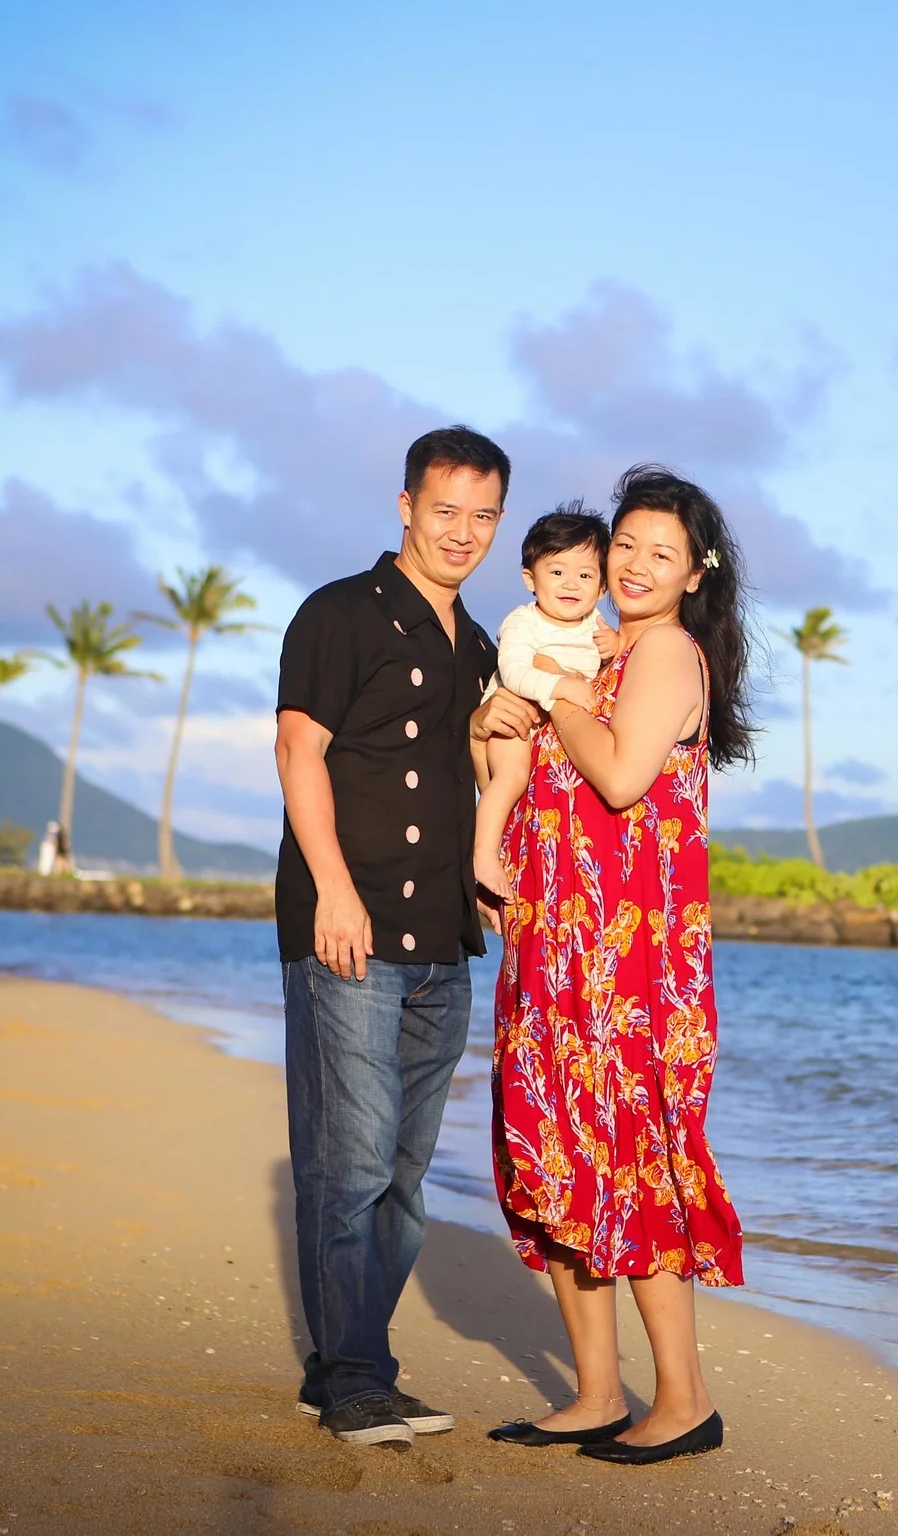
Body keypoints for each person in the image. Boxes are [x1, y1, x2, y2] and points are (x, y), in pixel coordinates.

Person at [480, 464, 754, 1467]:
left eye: (660, 553)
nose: (635, 564)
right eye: (624, 545)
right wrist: (494, 722)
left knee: (633, 1158)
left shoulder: (666, 652)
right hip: (557, 943)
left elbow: (623, 775)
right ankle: (597, 1392)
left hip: (629, 963)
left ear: (694, 574)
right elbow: (535, 778)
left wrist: (549, 689)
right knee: (556, 1150)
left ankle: (683, 1399)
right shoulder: (598, 652)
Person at [272, 426, 509, 1447]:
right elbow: (298, 749)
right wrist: (332, 888)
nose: (463, 531)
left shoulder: (482, 646)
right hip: (350, 930)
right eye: (445, 508)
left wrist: (490, 878)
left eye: (483, 515)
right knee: (349, 1163)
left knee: (404, 1179)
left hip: (442, 943)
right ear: (405, 504)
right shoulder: (339, 612)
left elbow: (480, 780)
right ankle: (357, 1381)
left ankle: (347, 1362)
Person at [472, 503, 620, 901]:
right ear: (530, 579)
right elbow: (515, 672)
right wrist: (561, 686)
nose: (571, 584)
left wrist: (616, 645)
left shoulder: (595, 626)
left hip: (556, 731)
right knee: (511, 779)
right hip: (514, 718)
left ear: (602, 588)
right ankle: (483, 854)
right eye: (557, 572)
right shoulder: (524, 622)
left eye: (585, 575)